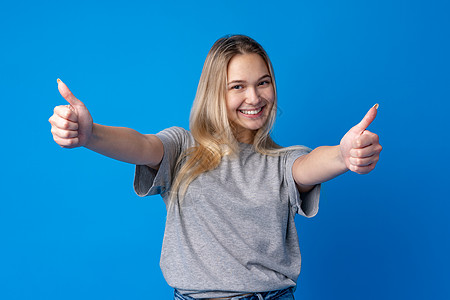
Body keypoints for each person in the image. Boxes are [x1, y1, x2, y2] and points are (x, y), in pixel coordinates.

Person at [49, 35, 382, 300]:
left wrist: (342, 154)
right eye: (237, 86)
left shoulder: (282, 162)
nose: (254, 97)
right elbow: (141, 145)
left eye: (263, 83)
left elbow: (311, 166)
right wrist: (91, 135)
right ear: (214, 92)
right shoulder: (182, 149)